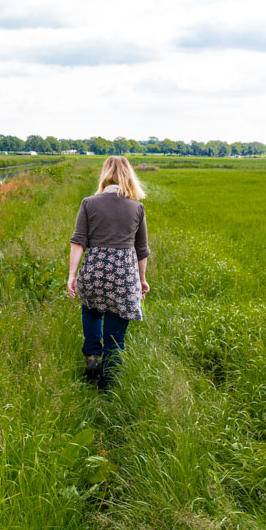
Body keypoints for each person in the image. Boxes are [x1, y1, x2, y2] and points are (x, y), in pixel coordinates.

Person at [67, 156, 150, 389]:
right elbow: (141, 250)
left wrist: (72, 275)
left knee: (92, 309)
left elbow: (78, 242)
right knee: (116, 331)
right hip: (124, 274)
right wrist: (142, 281)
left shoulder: (89, 203)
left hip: (94, 270)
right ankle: (108, 384)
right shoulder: (137, 207)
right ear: (129, 175)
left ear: (105, 174)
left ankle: (93, 356)